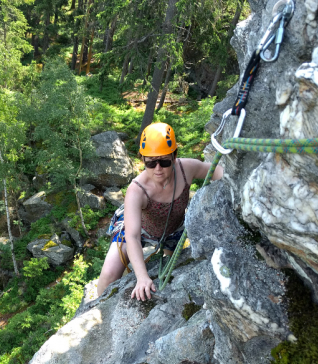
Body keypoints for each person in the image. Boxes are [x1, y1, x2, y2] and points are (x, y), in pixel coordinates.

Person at [96, 122, 224, 301]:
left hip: (174, 230)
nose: (158, 168)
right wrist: (142, 277)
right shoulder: (137, 190)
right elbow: (132, 236)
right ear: (142, 160)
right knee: (109, 273)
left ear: (174, 156)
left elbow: (216, 171)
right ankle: (97, 305)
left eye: (164, 161)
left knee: (177, 266)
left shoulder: (185, 169)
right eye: (151, 162)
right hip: (139, 228)